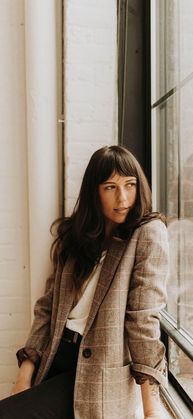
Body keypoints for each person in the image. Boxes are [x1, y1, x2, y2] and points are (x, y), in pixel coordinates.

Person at [0, 145, 169, 419]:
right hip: (56, 356)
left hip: (100, 371)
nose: (123, 197)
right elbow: (47, 309)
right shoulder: (76, 237)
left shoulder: (148, 234)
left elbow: (143, 320)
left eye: (130, 185)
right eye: (110, 187)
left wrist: (151, 408)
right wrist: (24, 377)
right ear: (95, 192)